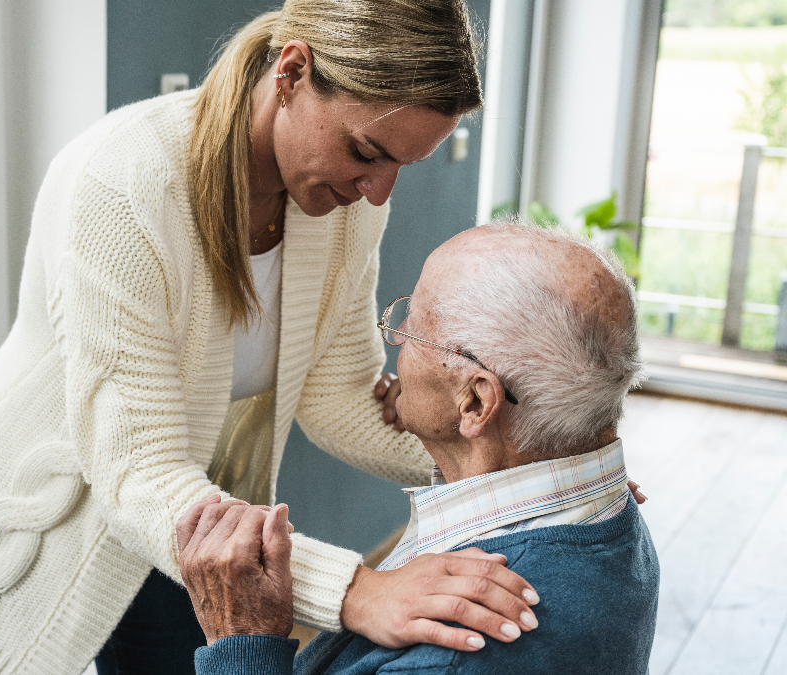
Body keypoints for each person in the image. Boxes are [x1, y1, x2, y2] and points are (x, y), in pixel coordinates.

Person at [0, 2, 546, 674]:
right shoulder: (123, 184)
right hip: (45, 529)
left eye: (402, 164)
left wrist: (517, 460)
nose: (377, 191)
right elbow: (138, 470)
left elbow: (339, 397)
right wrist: (357, 591)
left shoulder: (342, 206)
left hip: (196, 525)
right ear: (292, 72)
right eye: (367, 152)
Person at [178, 222, 660, 675]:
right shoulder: (608, 514)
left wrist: (242, 643)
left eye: (411, 330)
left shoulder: (454, 651)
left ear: (475, 402)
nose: (394, 342)